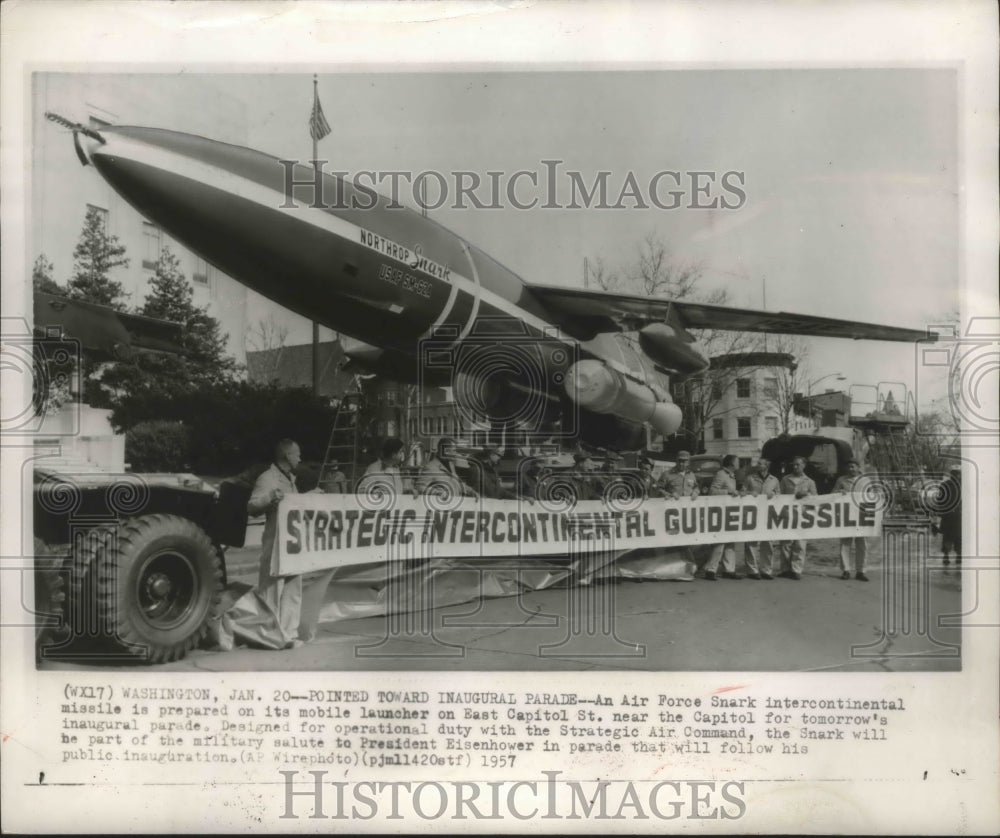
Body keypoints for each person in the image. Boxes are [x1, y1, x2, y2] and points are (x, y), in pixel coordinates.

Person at [248, 439, 332, 647]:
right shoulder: (268, 478)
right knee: (272, 590)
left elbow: (293, 504)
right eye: (297, 454)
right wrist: (268, 497)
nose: (300, 458)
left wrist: (309, 497)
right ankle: (268, 635)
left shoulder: (290, 479)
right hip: (276, 544)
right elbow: (252, 507)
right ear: (287, 456)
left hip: (293, 545)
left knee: (293, 590)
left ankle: (289, 635)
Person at [702, 454, 743, 581]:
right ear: (731, 463)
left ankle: (729, 569)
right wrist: (729, 492)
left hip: (730, 511)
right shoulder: (721, 474)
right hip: (721, 511)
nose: (739, 464)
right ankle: (711, 569)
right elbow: (713, 491)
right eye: (737, 462)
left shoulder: (731, 475)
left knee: (730, 541)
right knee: (720, 542)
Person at [777, 456, 817, 580]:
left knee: (800, 544)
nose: (795, 467)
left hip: (802, 516)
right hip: (787, 514)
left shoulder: (809, 481)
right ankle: (785, 569)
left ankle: (796, 569)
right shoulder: (785, 479)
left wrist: (807, 494)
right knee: (785, 543)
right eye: (793, 464)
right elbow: (779, 496)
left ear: (804, 465)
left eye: (798, 465)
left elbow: (816, 498)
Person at [741, 456, 780, 579]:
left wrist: (774, 494)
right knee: (751, 542)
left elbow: (781, 496)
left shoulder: (774, 480)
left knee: (768, 543)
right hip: (753, 514)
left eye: (761, 463)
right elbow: (742, 492)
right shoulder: (750, 478)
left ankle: (766, 570)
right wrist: (749, 493)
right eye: (758, 463)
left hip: (768, 514)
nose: (758, 465)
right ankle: (752, 570)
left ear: (767, 466)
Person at [833, 459, 869, 581]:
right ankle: (846, 570)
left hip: (861, 515)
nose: (851, 469)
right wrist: (839, 492)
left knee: (862, 544)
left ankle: (861, 571)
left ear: (858, 468)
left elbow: (874, 495)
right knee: (845, 543)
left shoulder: (865, 480)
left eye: (853, 467)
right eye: (849, 467)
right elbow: (833, 493)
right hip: (846, 515)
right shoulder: (841, 480)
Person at [939, 465, 962, 567]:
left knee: (948, 536)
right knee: (958, 536)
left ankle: (947, 556)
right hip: (958, 515)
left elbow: (940, 500)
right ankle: (958, 555)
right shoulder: (963, 485)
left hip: (948, 515)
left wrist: (941, 512)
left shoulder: (944, 485)